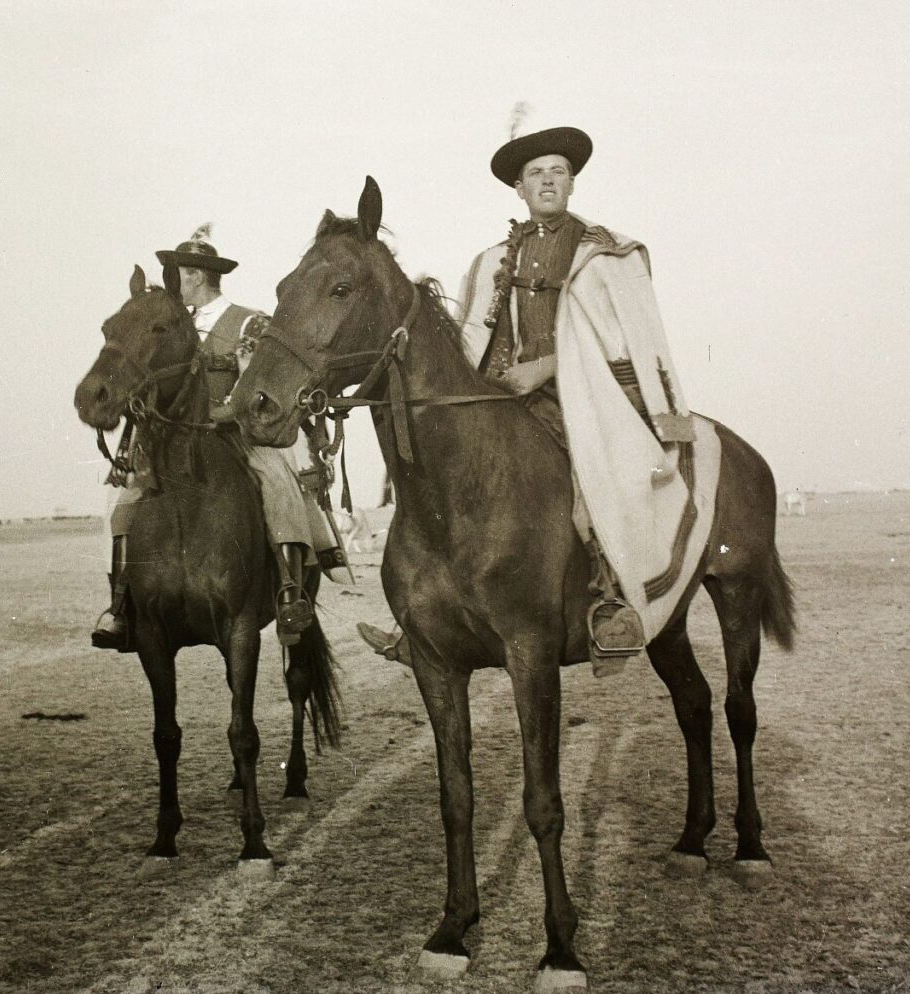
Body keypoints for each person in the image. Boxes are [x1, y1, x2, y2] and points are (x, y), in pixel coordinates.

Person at [358, 121, 695, 669]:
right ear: (519, 189)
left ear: (572, 184)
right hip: (501, 398)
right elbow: (469, 340)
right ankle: (425, 619)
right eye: (535, 174)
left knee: (591, 477)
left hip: (587, 399)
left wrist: (547, 368)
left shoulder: (609, 255)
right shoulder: (490, 261)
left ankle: (609, 600)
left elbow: (633, 343)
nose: (547, 182)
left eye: (557, 172)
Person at [92, 226, 349, 652]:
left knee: (278, 484)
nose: (174, 283)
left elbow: (261, 382)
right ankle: (122, 605)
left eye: (178, 275)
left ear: (195, 276)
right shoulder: (170, 324)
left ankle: (290, 594)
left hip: (238, 435)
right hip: (174, 443)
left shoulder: (249, 321)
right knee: (120, 502)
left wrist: (225, 412)